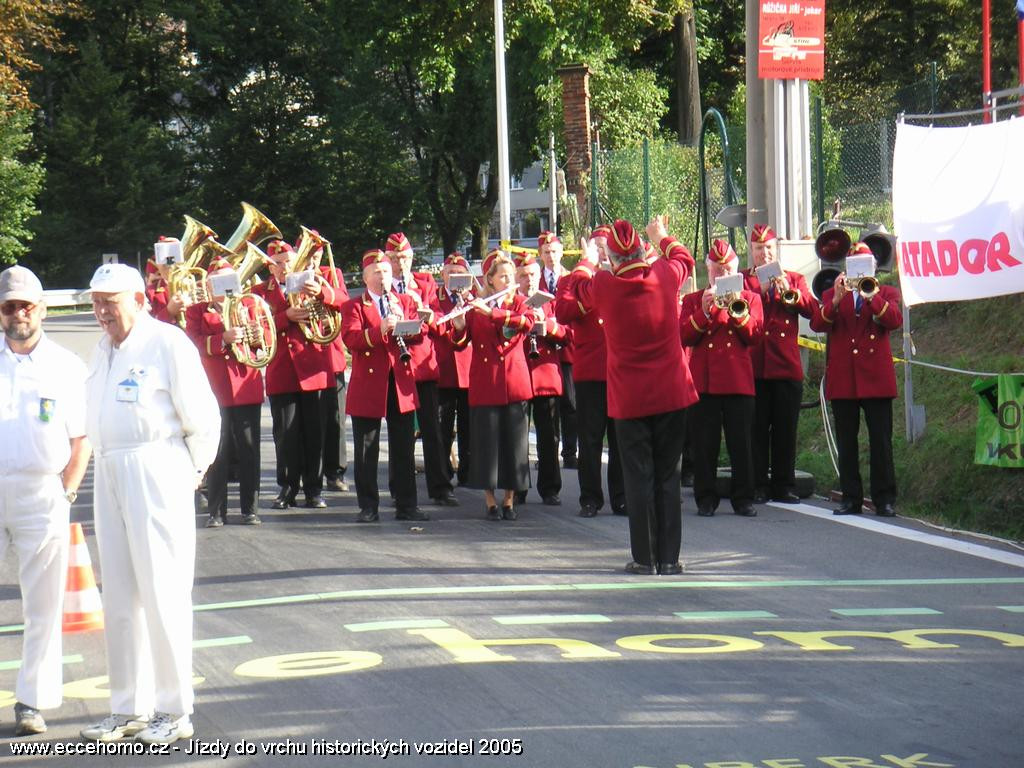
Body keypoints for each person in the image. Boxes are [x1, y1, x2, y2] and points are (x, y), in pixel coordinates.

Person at [80, 263, 220, 745]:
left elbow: (202, 418)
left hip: (156, 468)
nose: (101, 310)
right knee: (118, 595)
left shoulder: (167, 342)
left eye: (111, 301)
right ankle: (127, 707)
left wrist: (189, 474)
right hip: (111, 471)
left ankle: (174, 709)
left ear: (139, 299)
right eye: (97, 300)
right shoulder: (103, 350)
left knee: (163, 592)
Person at [562, 218, 698, 575]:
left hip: (630, 397)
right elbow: (685, 258)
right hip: (671, 392)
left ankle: (644, 557)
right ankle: (669, 558)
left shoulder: (606, 284)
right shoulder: (666, 275)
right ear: (642, 250)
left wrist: (588, 259)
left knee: (639, 477)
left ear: (615, 259)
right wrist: (661, 236)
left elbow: (577, 287)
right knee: (668, 476)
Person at [0, 266, 91, 736]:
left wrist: (68, 490)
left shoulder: (66, 365)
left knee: (43, 604)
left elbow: (81, 438)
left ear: (43, 309)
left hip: (43, 492)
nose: (19, 314)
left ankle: (31, 700)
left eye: (27, 305)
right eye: (10, 306)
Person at [809, 241, 903, 516]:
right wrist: (837, 299)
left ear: (874, 268)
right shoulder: (832, 293)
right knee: (847, 442)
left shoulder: (886, 292)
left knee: (880, 441)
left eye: (866, 266)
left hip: (875, 378)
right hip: (845, 378)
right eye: (855, 267)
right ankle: (851, 497)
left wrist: (871, 295)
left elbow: (894, 320)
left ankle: (884, 498)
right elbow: (817, 323)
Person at [252, 240, 343, 510]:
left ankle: (313, 489)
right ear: (270, 266)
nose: (284, 267)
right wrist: (285, 316)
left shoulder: (312, 282)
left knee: (315, 434)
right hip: (283, 371)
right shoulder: (260, 292)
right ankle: (288, 487)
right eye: (278, 263)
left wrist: (323, 296)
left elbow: (344, 302)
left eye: (288, 262)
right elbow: (257, 329)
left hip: (313, 368)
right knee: (286, 436)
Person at [340, 249, 427, 523]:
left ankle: (407, 505)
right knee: (367, 448)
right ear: (366, 278)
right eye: (377, 272)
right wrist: (381, 329)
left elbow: (421, 334)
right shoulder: (354, 306)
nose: (383, 276)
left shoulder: (404, 300)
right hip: (369, 381)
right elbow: (351, 339)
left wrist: (407, 324)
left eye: (386, 271)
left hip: (399, 380)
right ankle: (368, 506)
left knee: (404, 447)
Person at [679, 239, 764, 518]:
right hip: (705, 382)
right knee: (705, 444)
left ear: (735, 270)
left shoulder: (750, 298)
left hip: (737, 380)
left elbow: (753, 336)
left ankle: (744, 498)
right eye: (717, 269)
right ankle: (706, 498)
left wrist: (734, 310)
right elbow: (684, 336)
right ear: (708, 269)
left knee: (742, 443)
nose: (722, 274)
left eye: (727, 269)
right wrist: (705, 311)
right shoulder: (694, 300)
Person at [450, 249, 535, 520]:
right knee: (487, 444)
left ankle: (510, 498)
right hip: (486, 381)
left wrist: (493, 312)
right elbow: (461, 342)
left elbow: (525, 325)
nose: (509, 280)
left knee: (514, 444)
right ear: (490, 280)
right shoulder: (476, 307)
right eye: (503, 276)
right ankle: (489, 500)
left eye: (511, 276)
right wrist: (460, 324)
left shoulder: (520, 303)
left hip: (514, 381)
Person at [183, 258, 264, 527]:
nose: (225, 287)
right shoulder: (197, 311)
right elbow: (192, 343)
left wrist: (256, 337)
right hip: (214, 390)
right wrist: (223, 340)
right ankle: (217, 511)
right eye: (218, 282)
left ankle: (250, 509)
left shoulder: (250, 306)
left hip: (246, 385)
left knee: (249, 451)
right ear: (208, 286)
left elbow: (263, 342)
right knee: (216, 452)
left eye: (230, 281)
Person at [554, 225, 626, 519]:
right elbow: (564, 311)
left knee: (621, 438)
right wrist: (585, 265)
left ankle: (621, 497)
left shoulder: (623, 275)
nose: (602, 252)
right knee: (590, 439)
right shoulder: (575, 279)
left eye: (606, 247)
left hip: (620, 368)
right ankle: (590, 498)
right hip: (591, 369)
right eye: (597, 247)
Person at [741, 224, 815, 503]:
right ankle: (758, 483)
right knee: (757, 429)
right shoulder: (745, 280)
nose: (765, 253)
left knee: (786, 429)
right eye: (759, 248)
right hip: (757, 366)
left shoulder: (793, 278)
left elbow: (812, 310)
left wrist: (790, 292)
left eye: (769, 247)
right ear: (752, 250)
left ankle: (784, 484)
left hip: (785, 365)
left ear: (776, 249)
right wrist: (759, 291)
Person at [385, 233, 457, 507]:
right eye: (393, 258)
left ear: (411, 258)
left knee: (433, 429)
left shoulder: (424, 282)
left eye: (403, 257)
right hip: (398, 366)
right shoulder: (383, 286)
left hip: (424, 364)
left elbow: (435, 319)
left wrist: (426, 318)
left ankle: (440, 486)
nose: (398, 263)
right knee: (400, 430)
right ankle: (398, 486)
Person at [514, 251, 567, 506]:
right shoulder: (512, 303)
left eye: (533, 274)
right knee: (519, 436)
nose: (529, 280)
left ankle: (550, 487)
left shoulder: (549, 301)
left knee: (549, 436)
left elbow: (567, 334)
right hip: (520, 374)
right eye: (524, 276)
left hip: (546, 374)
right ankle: (520, 486)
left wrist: (550, 327)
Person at [537, 231, 578, 468]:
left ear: (562, 252)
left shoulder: (572, 278)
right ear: (541, 255)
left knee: (571, 402)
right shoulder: (535, 280)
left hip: (567, 346)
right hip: (544, 350)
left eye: (554, 251)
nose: (551, 256)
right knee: (548, 405)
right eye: (546, 252)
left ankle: (570, 452)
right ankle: (549, 452)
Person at [435, 253, 474, 486]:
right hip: (444, 370)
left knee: (469, 426)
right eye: (451, 273)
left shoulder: (474, 299)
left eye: (460, 274)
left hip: (469, 371)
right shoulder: (435, 297)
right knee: (443, 427)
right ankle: (443, 472)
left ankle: (468, 472)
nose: (455, 277)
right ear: (443, 275)